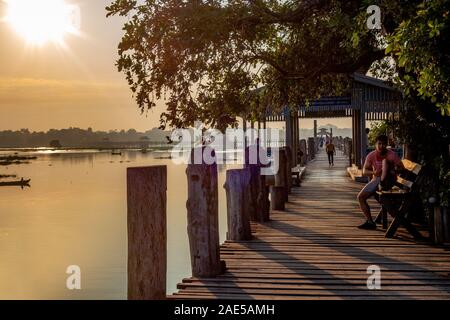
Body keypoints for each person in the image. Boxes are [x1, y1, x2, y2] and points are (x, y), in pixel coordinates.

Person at [356, 134, 405, 230]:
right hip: (376, 180)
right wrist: (374, 172)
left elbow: (401, 168)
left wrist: (394, 170)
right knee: (361, 197)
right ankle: (370, 222)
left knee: (385, 162)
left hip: (389, 181)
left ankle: (394, 217)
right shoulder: (371, 155)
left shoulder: (392, 155)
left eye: (383, 144)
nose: (381, 146)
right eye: (379, 144)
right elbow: (364, 171)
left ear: (386, 144)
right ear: (375, 144)